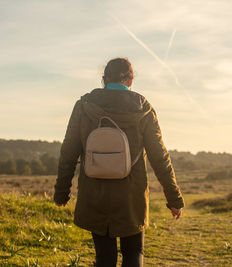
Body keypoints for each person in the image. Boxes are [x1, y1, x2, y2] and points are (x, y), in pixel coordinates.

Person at [54, 57, 184, 267]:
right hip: (131, 196)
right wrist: (174, 198)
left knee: (104, 257)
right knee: (134, 252)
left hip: (95, 193)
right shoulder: (144, 109)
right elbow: (159, 157)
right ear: (130, 81)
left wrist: (62, 192)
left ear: (104, 79)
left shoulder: (84, 106)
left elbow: (69, 152)